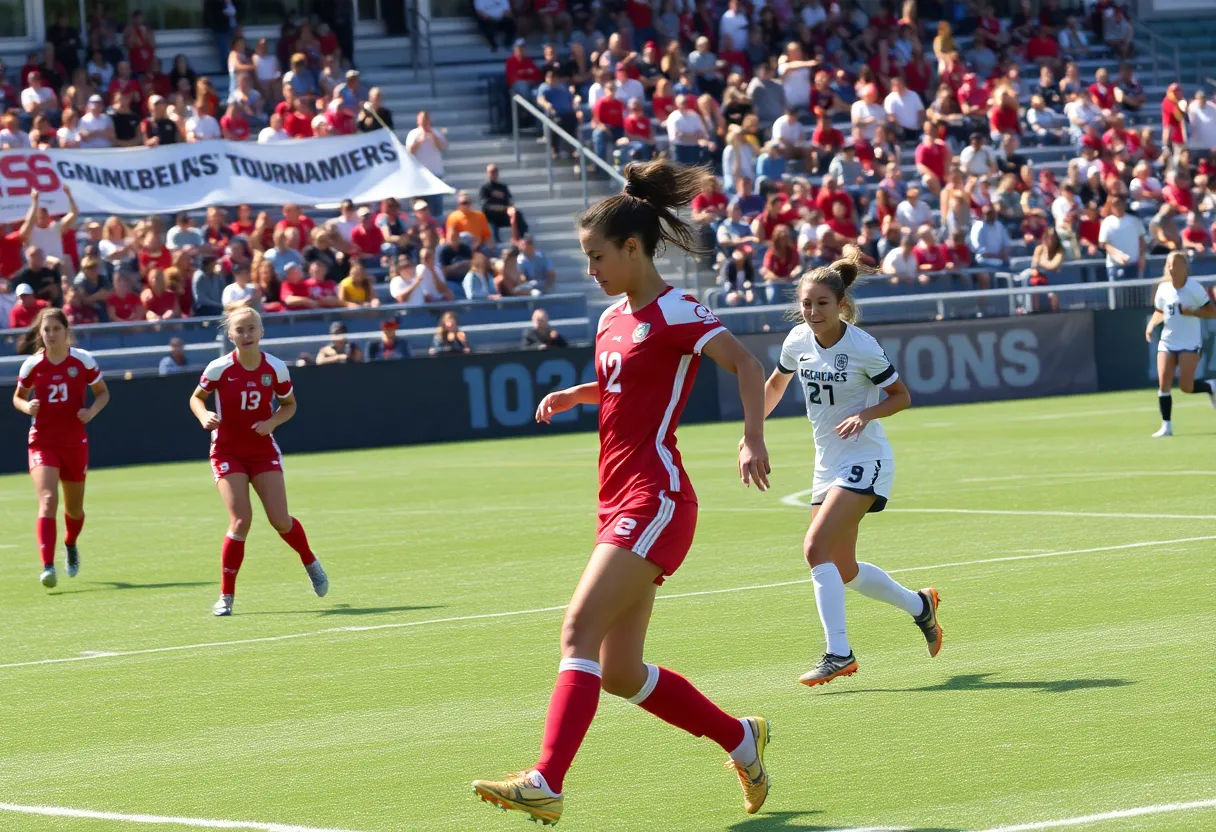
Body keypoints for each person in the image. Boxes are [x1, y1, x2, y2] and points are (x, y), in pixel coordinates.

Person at [472, 160, 772, 826]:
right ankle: (740, 739)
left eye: (598, 256)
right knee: (619, 670)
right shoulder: (613, 319)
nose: (592, 268)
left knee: (577, 628)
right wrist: (577, 394)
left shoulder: (676, 311)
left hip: (657, 497)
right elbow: (620, 386)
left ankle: (546, 778)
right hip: (618, 501)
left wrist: (753, 436)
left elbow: (747, 364)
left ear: (633, 248)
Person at [757, 248, 940, 684]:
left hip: (866, 459)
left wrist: (867, 415)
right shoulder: (797, 341)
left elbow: (901, 396)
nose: (812, 311)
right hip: (827, 463)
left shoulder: (862, 346)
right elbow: (775, 384)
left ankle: (838, 653)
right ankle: (921, 606)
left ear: (841, 305)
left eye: (822, 303)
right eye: (806, 303)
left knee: (814, 548)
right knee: (842, 568)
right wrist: (752, 433)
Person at [190, 306, 329, 617]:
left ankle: (310, 561)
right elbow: (196, 397)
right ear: (230, 335)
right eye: (240, 330)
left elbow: (289, 405)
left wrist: (273, 422)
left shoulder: (276, 368)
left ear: (262, 332)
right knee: (240, 521)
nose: (247, 334)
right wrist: (204, 415)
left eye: (252, 328)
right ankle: (226, 596)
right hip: (226, 451)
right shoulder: (219, 368)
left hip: (263, 450)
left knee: (280, 520)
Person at [12, 309, 110, 587]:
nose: (51, 334)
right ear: (41, 334)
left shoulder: (82, 361)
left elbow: (103, 392)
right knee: (47, 500)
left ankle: (70, 543)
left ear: (67, 331)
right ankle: (48, 565)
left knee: (75, 509)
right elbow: (18, 397)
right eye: (46, 330)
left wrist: (91, 411)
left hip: (74, 442)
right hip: (42, 440)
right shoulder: (33, 365)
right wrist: (26, 405)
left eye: (56, 328)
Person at [1145, 252, 1216, 438]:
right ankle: (1166, 426)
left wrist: (1192, 311)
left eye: (1175, 264)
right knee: (1164, 383)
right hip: (1168, 341)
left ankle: (1210, 387)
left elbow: (1212, 311)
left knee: (1186, 387)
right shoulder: (1163, 289)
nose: (1171, 268)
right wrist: (1152, 324)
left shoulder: (1194, 288)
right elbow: (1159, 311)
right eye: (1168, 264)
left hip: (1189, 342)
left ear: (1185, 267)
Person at [406, 111, 448, 216]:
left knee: (436, 208)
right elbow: (410, 152)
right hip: (419, 177)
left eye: (426, 120)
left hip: (435, 174)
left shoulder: (436, 133)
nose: (424, 123)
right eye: (422, 120)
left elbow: (443, 147)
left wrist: (432, 135)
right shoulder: (413, 134)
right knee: (420, 207)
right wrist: (420, 141)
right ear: (418, 121)